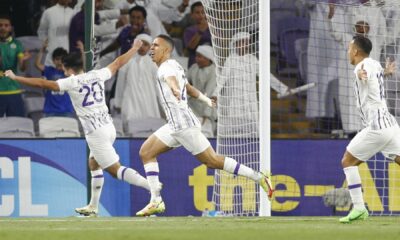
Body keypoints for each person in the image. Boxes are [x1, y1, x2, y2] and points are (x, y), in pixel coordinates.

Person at [5, 39, 151, 217]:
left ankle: (152, 188)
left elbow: (43, 84)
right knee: (93, 163)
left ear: (66, 68)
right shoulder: (98, 74)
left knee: (115, 170)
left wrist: (15, 77)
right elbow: (118, 62)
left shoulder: (71, 82)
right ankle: (93, 206)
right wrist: (135, 48)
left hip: (96, 132)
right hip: (109, 126)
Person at [135, 34, 274, 217]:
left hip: (184, 125)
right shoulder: (175, 65)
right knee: (146, 152)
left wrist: (175, 90)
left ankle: (260, 177)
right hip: (174, 125)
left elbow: (173, 82)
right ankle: (155, 200)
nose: (152, 49)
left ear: (167, 49)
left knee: (212, 161)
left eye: (156, 45)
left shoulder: (165, 69)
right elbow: (189, 87)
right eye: (151, 45)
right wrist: (206, 100)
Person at [339, 35, 400, 223]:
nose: (348, 52)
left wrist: (360, 75)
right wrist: (387, 72)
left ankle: (359, 208)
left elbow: (363, 73)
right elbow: (378, 74)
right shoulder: (374, 63)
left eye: (350, 49)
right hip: (390, 124)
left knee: (348, 162)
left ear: (356, 51)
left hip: (376, 127)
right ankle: (359, 209)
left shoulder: (361, 67)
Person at [113, 33, 162, 122]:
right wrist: (118, 102)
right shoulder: (127, 60)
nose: (142, 47)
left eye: (146, 44)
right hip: (131, 98)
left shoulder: (154, 63)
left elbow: (158, 85)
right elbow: (120, 83)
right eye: (140, 44)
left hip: (148, 99)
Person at [0, 15, 31, 117]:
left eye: (6, 25)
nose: (3, 28)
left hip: (13, 89)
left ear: (10, 28)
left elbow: (22, 68)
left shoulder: (17, 44)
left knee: (16, 124)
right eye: (0, 25)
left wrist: (24, 60)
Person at [35, 42, 74, 117]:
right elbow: (37, 64)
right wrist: (42, 50)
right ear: (53, 60)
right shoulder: (49, 70)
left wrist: (82, 51)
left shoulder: (70, 72)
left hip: (67, 110)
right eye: (57, 59)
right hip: (50, 110)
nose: (59, 62)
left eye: (62, 59)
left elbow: (83, 69)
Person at [187, 44, 217, 137]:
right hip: (193, 106)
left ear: (208, 58)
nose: (197, 59)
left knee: (205, 135)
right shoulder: (194, 67)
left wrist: (206, 115)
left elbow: (210, 93)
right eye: (196, 56)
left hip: (207, 109)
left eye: (200, 57)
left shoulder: (214, 71)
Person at [37, 0, 75, 66]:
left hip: (69, 52)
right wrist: (46, 42)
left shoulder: (73, 13)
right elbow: (41, 31)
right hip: (52, 51)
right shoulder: (49, 12)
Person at [183, 1, 212, 68]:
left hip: (211, 65)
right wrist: (201, 31)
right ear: (192, 15)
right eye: (197, 13)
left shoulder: (213, 29)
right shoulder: (189, 30)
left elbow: (220, 44)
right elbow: (191, 47)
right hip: (195, 65)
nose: (201, 15)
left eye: (203, 12)